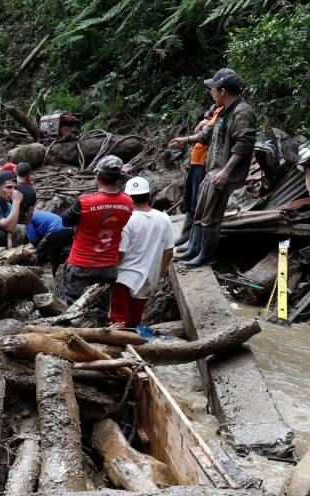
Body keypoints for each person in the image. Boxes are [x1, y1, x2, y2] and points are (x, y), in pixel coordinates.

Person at [169, 68, 255, 266]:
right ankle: (193, 247)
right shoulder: (224, 109)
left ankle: (205, 255)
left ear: (223, 90)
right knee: (200, 210)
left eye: (213, 89)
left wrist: (226, 172)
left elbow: (244, 145)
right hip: (212, 170)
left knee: (211, 216)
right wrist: (185, 140)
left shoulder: (242, 112)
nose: (211, 92)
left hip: (224, 173)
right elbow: (208, 134)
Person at [59, 155, 134, 306]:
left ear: (98, 176)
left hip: (82, 264)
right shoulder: (128, 202)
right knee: (102, 307)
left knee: (74, 306)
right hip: (109, 266)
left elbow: (65, 220)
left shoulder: (85, 202)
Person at [110, 176, 174, 327]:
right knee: (135, 320)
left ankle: (118, 342)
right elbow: (169, 251)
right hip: (148, 279)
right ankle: (133, 340)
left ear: (127, 197)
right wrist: (159, 273)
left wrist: (107, 271)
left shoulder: (126, 220)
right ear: (149, 195)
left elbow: (120, 253)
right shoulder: (164, 218)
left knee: (118, 321)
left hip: (124, 278)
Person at [172, 105, 218, 246]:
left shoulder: (219, 120)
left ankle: (194, 238)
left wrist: (205, 125)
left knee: (198, 200)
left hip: (205, 165)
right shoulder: (209, 120)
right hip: (195, 163)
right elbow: (198, 135)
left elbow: (208, 137)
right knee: (190, 197)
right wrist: (201, 125)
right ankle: (187, 233)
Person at [13, 161, 37, 230]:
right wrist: (27, 225)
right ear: (29, 174)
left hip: (8, 221)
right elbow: (30, 213)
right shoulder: (32, 191)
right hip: (21, 224)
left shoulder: (11, 187)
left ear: (16, 171)